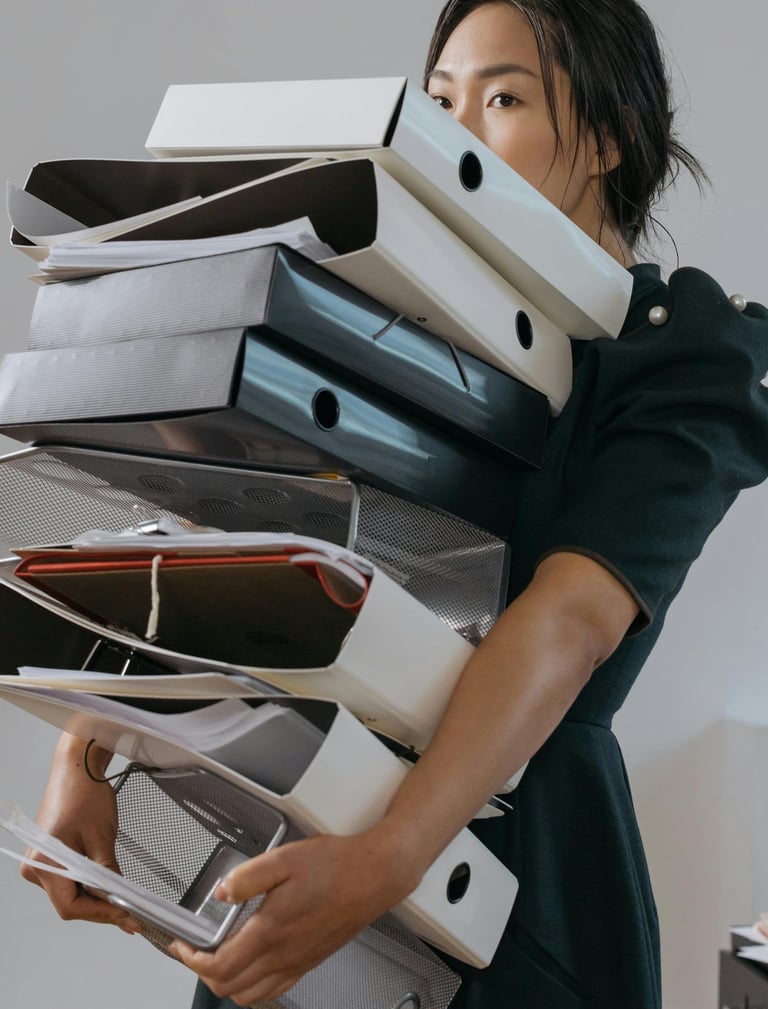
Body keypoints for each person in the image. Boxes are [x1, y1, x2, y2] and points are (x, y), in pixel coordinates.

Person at [21, 1, 768, 1007]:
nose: (452, 136)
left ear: (608, 136)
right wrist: (90, 748)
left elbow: (571, 619)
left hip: (515, 880)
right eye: (438, 100)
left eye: (503, 98)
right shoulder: (385, 305)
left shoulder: (682, 356)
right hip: (301, 839)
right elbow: (221, 524)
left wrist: (389, 856)